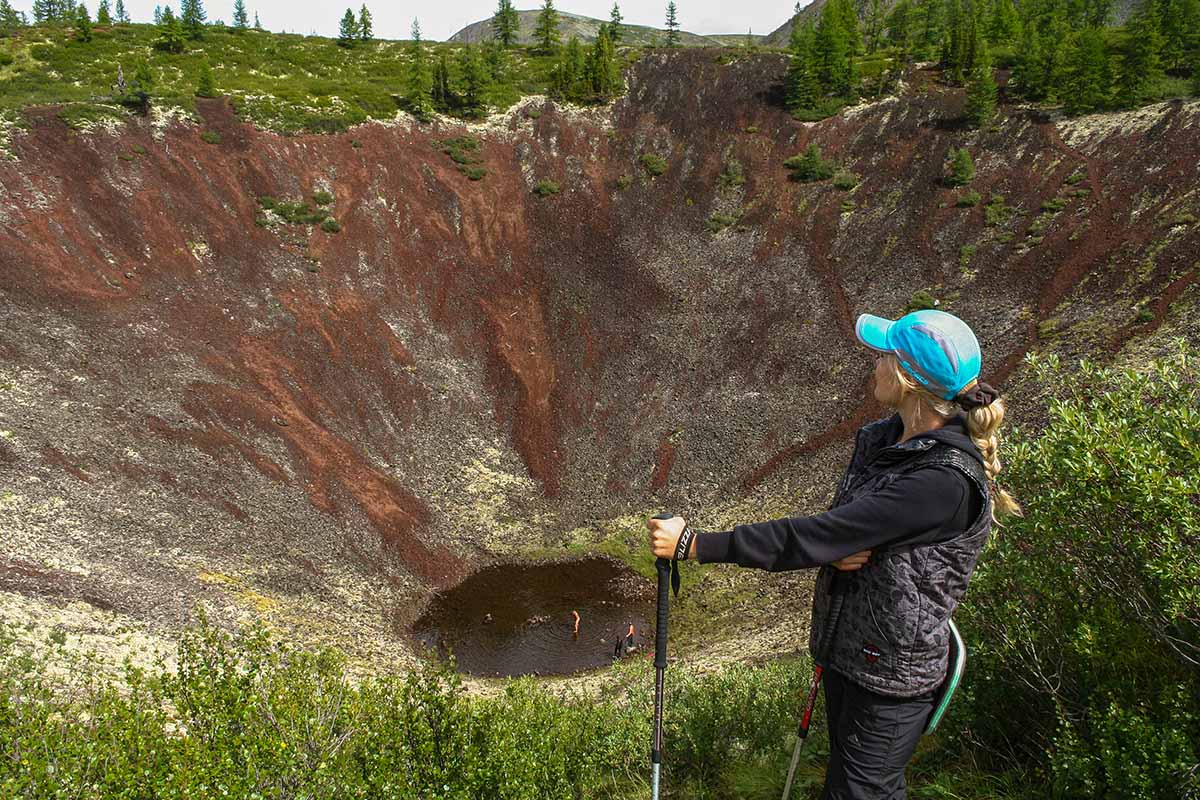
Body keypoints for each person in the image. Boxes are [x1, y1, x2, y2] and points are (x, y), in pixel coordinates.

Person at [647, 309, 1021, 800]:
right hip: (854, 652)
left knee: (861, 792)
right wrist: (836, 550)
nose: (874, 365)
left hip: (891, 674)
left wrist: (694, 544)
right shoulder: (889, 441)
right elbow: (851, 534)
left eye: (885, 356)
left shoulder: (940, 481)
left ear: (908, 380)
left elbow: (826, 531)